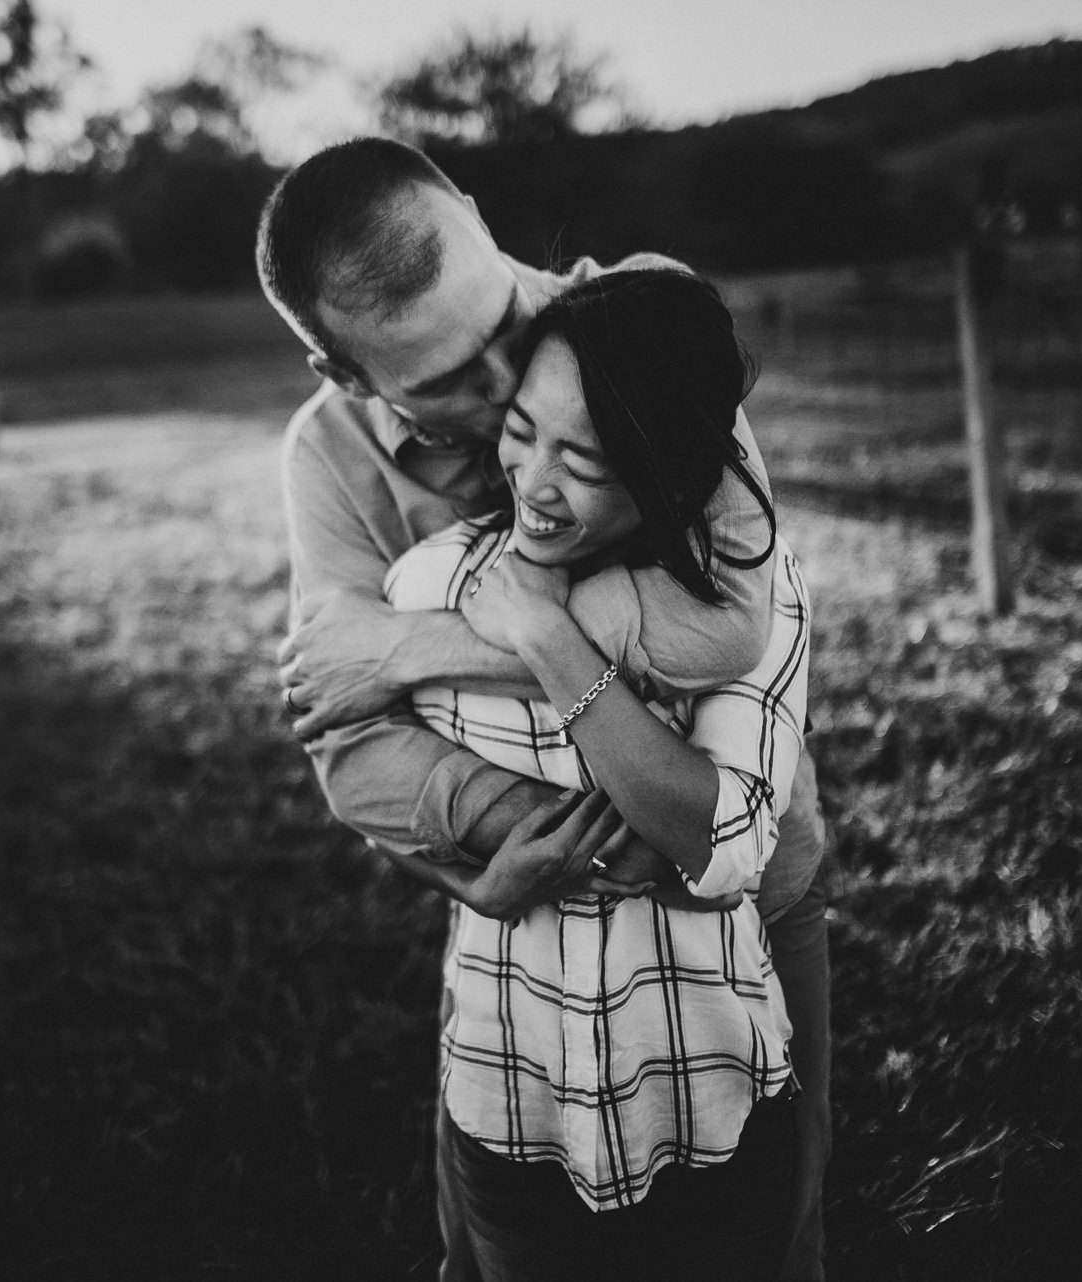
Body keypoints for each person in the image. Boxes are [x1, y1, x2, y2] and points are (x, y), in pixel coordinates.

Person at [256, 137, 830, 1279]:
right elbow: (349, 745)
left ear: (477, 214)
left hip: (743, 900)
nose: (508, 381)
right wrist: (536, 851)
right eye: (450, 382)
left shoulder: (639, 324)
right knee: (498, 1255)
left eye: (504, 321)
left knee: (767, 1246)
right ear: (346, 372)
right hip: (527, 936)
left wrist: (413, 646)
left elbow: (724, 624)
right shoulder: (325, 461)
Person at [382, 265, 806, 1278]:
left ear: (665, 471)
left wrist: (548, 637)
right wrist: (475, 877)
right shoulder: (433, 584)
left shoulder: (750, 601)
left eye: (587, 457)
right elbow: (376, 776)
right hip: (507, 1091)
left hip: (708, 1097)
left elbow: (725, 837)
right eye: (523, 431)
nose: (534, 480)